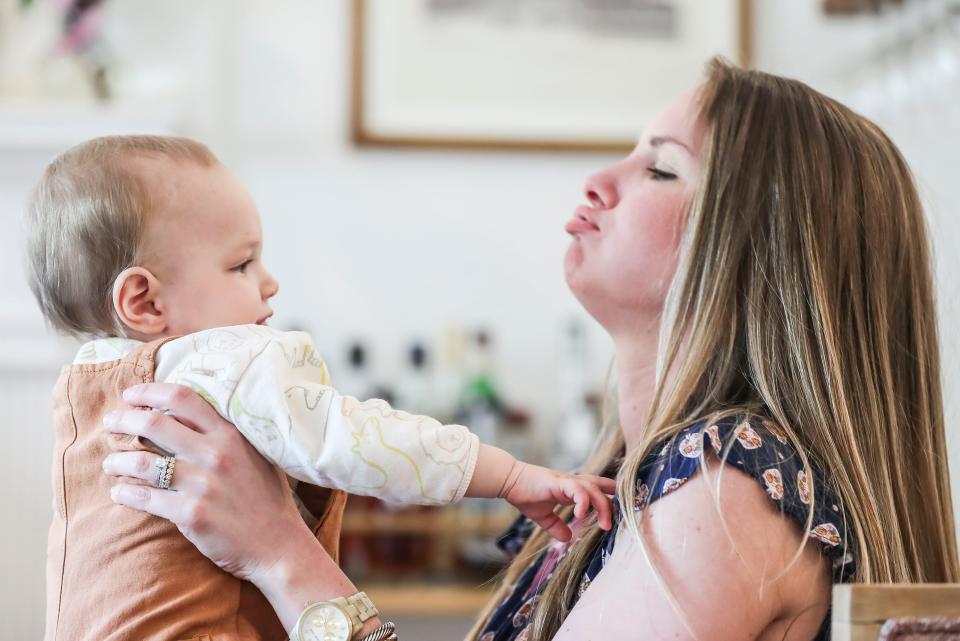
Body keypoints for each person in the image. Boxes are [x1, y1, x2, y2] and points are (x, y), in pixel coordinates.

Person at [103, 58, 960, 641]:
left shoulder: (732, 481)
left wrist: (281, 555)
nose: (600, 181)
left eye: (660, 170)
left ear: (760, 250)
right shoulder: (647, 476)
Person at [26, 136, 615, 641]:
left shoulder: (83, 389)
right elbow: (354, 441)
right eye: (242, 265)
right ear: (146, 301)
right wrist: (508, 476)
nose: (269, 281)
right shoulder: (227, 358)